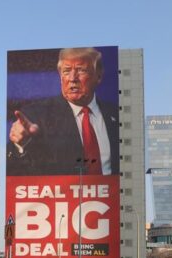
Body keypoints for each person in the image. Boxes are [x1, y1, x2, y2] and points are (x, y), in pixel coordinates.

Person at [7, 47, 119, 176]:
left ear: (98, 76)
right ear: (60, 76)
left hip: (111, 195)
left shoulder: (117, 115)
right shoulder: (35, 116)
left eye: (81, 70)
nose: (72, 78)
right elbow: (15, 172)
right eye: (66, 71)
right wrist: (21, 144)